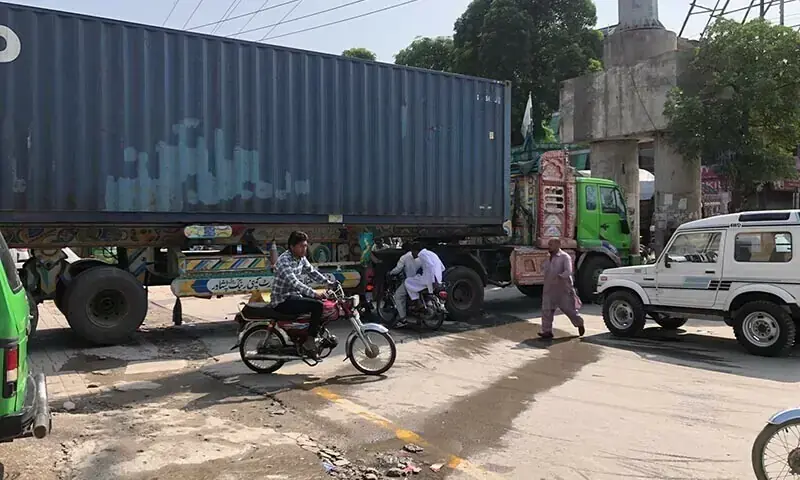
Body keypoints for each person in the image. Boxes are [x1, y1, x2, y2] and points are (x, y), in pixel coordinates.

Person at [270, 231, 332, 359]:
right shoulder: (283, 261)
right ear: (292, 247)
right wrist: (315, 293)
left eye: (305, 245)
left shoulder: (301, 258)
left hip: (294, 295)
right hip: (282, 300)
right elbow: (295, 283)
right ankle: (309, 342)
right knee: (317, 306)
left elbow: (312, 272)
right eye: (301, 246)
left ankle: (308, 334)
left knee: (326, 306)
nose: (304, 248)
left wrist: (329, 283)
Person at [540, 237, 585, 339]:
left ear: (558, 245)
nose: (549, 246)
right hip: (549, 288)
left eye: (551, 244)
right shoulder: (548, 257)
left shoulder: (565, 257)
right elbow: (543, 268)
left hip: (562, 288)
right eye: (549, 244)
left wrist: (560, 276)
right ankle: (547, 331)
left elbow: (568, 271)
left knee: (569, 310)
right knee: (546, 310)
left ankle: (579, 323)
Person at [397, 243, 446, 327]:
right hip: (437, 278)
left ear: (416, 251)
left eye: (412, 252)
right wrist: (437, 278)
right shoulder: (431, 253)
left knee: (408, 281)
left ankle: (417, 301)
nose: (412, 254)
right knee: (416, 278)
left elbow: (430, 266)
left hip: (428, 279)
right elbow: (442, 267)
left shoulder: (422, 254)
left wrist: (433, 280)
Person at [388, 243, 423, 325]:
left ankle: (402, 318)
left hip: (410, 282)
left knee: (398, 296)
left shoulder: (405, 257)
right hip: (421, 281)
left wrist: (390, 273)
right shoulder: (423, 257)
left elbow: (398, 269)